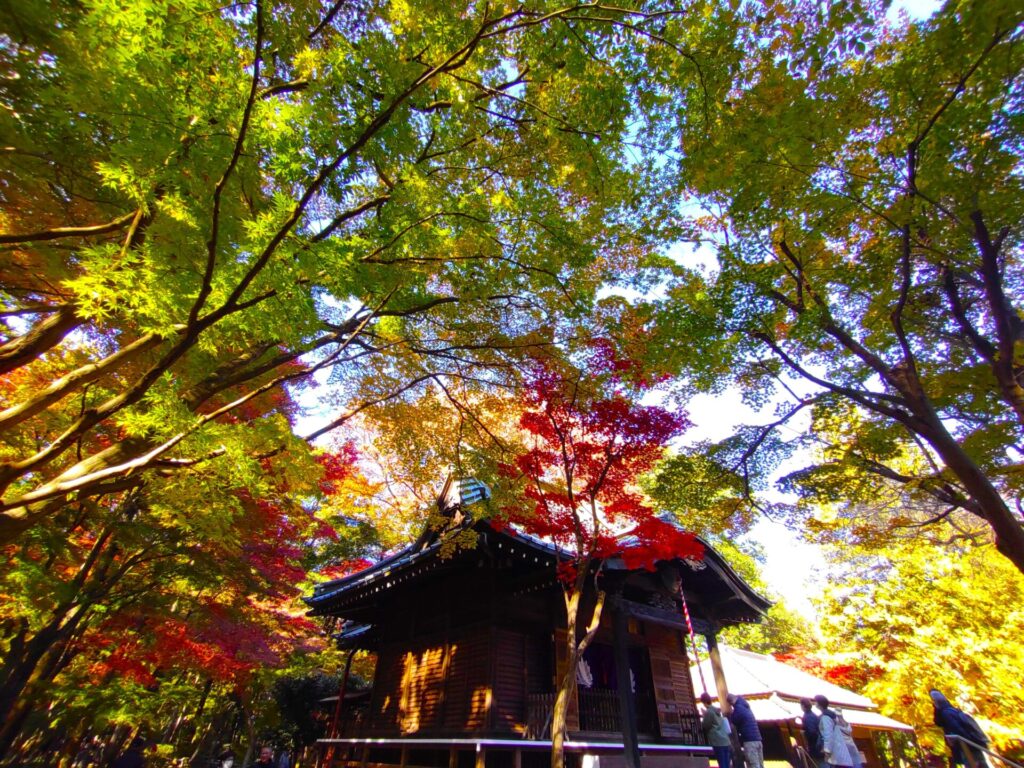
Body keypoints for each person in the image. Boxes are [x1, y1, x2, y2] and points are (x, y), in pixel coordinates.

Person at [930, 690, 989, 768]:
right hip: (972, 745)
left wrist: (957, 742)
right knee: (981, 764)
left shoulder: (946, 714)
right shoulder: (953, 710)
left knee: (976, 764)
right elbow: (938, 722)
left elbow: (958, 731)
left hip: (967, 748)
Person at [815, 695, 853, 768]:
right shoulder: (833, 715)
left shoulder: (825, 717)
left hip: (834, 751)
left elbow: (828, 735)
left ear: (819, 704)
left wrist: (827, 751)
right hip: (841, 748)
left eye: (816, 702)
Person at [727, 693, 764, 768]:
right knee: (760, 764)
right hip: (757, 739)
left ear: (731, 702)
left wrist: (729, 715)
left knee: (753, 764)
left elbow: (734, 720)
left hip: (749, 741)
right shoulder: (745, 705)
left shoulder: (738, 709)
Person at [700, 692, 733, 768]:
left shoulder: (709, 712)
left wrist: (703, 716)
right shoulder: (717, 711)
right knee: (726, 764)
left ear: (704, 702)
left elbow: (705, 725)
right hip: (725, 740)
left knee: (722, 764)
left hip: (717, 741)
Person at [800, 698, 826, 768]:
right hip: (819, 745)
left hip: (815, 747)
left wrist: (804, 734)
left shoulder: (808, 717)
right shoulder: (813, 715)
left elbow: (812, 732)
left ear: (803, 706)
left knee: (818, 764)